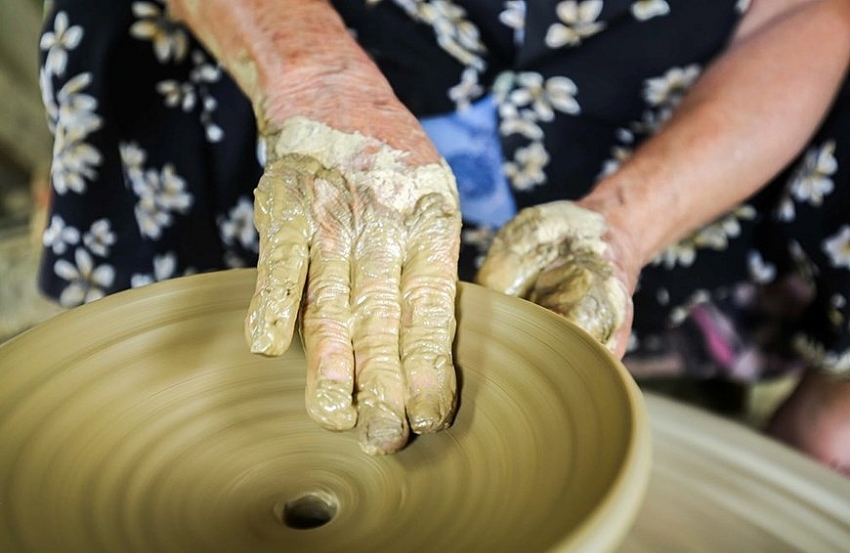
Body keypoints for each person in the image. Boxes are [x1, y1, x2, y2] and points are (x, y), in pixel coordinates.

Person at [37, 0, 850, 469]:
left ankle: (821, 431)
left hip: (644, 96)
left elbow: (812, 11)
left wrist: (626, 223)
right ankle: (168, 368)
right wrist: (316, 83)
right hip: (302, 40)